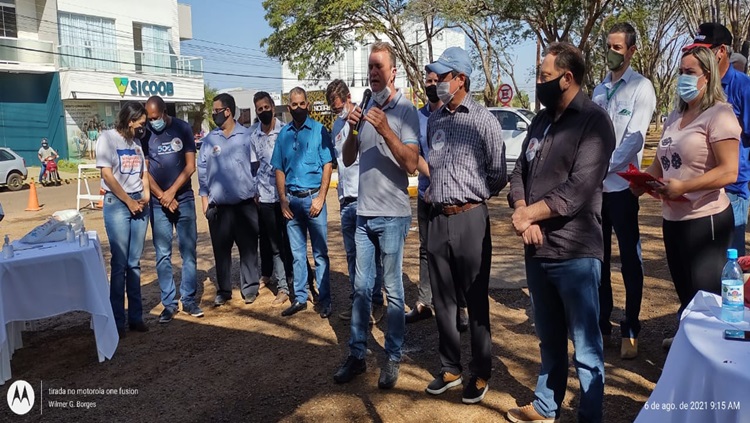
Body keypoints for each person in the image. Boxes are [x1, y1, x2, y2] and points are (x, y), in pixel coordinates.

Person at [506, 42, 615, 423]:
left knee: (585, 348)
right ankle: (545, 405)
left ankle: (589, 415)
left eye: (544, 76)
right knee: (549, 338)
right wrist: (524, 214)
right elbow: (519, 171)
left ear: (567, 78)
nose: (538, 82)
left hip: (576, 254)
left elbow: (579, 189)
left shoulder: (595, 122)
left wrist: (530, 215)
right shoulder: (541, 120)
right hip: (538, 251)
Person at [633, 46, 740, 349]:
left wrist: (686, 186)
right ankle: (690, 347)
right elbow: (660, 163)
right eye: (681, 72)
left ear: (707, 77)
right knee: (685, 293)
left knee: (705, 297)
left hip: (705, 220)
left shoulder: (720, 114)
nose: (683, 78)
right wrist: (643, 181)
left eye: (690, 72)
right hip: (672, 218)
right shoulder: (675, 116)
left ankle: (712, 356)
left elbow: (729, 171)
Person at [422, 47, 506, 404]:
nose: (438, 83)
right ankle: (451, 367)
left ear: (460, 79)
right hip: (438, 219)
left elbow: (499, 172)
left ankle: (481, 371)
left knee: (475, 297)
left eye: (443, 77)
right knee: (443, 299)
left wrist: (474, 198)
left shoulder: (484, 119)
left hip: (471, 218)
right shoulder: (436, 120)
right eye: (437, 77)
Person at [333, 41, 420, 390]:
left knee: (394, 291)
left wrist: (385, 128)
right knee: (359, 288)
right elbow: (349, 158)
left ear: (393, 71)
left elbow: (412, 164)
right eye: (370, 66)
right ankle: (357, 355)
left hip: (393, 214)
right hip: (364, 214)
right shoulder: (365, 106)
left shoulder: (405, 111)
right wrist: (355, 129)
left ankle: (393, 357)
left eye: (379, 67)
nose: (373, 72)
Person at [591, 23, 656, 359]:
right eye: (608, 45)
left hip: (622, 186)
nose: (611, 52)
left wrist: (605, 166)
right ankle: (602, 321)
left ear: (631, 51)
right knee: (598, 258)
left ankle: (631, 326)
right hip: (596, 190)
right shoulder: (599, 89)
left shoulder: (641, 87)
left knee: (630, 258)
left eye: (618, 47)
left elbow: (635, 137)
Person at [684, 24, 750, 256]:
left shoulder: (743, 87)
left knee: (730, 266)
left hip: (730, 191)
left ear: (721, 51)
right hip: (696, 190)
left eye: (703, 50)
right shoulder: (694, 87)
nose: (696, 56)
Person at [271, 87, 334, 318]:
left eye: (301, 104)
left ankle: (325, 300)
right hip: (292, 204)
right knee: (297, 254)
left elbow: (328, 164)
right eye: (293, 105)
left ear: (307, 104)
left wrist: (321, 197)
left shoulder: (319, 131)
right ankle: (300, 298)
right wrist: (283, 201)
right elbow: (278, 168)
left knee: (320, 254)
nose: (298, 108)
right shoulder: (284, 135)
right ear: (289, 108)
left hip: (314, 201)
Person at [326, 79, 385, 324]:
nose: (337, 111)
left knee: (371, 254)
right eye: (333, 109)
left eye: (339, 106)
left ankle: (376, 302)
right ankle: (357, 301)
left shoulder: (364, 120)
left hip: (366, 198)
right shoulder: (335, 127)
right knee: (351, 255)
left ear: (348, 97)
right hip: (345, 199)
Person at [143, 96, 203, 322]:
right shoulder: (145, 134)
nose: (152, 122)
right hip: (158, 204)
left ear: (164, 111)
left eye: (155, 117)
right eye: (149, 118)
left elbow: (190, 166)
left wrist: (172, 193)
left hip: (184, 199)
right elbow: (144, 172)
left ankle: (188, 299)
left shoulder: (182, 128)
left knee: (188, 251)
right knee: (163, 254)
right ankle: (168, 303)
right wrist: (162, 196)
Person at [198, 93, 261, 307]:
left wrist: (256, 194)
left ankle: (250, 288)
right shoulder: (209, 141)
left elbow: (256, 167)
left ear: (227, 111)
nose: (214, 114)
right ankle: (224, 290)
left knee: (249, 249)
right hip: (219, 208)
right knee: (221, 252)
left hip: (245, 206)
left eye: (216, 111)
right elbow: (202, 173)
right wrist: (205, 201)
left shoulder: (246, 136)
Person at [96, 101, 151, 338]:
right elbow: (107, 176)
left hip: (139, 203)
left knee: (134, 263)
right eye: (141, 123)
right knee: (119, 265)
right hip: (118, 204)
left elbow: (143, 172)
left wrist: (146, 194)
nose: (143, 128)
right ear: (130, 121)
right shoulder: (107, 139)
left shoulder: (136, 143)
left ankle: (136, 317)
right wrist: (128, 201)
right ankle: (117, 321)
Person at [250, 91, 293, 306]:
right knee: (274, 244)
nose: (264, 112)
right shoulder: (254, 136)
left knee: (292, 240)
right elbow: (254, 166)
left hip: (286, 196)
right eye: (260, 109)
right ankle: (283, 287)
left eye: (267, 108)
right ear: (256, 112)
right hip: (266, 197)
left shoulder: (285, 132)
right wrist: (256, 192)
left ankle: (298, 280)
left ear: (273, 108)